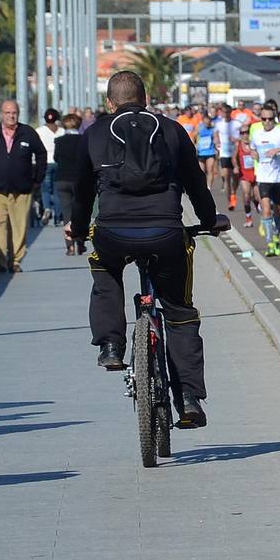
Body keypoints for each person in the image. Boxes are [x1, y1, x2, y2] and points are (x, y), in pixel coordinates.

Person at [68, 71, 226, 429]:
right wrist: (208, 218)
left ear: (110, 102)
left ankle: (110, 345)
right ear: (146, 98)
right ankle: (188, 398)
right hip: (165, 232)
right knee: (179, 310)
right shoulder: (171, 130)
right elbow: (195, 183)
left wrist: (78, 230)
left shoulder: (94, 133)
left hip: (113, 232)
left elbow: (81, 192)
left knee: (104, 270)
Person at [0, 98, 48, 273]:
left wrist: (37, 179)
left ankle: (15, 261)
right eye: (7, 113)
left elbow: (41, 155)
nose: (11, 116)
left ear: (18, 114)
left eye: (14, 112)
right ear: (1, 114)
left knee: (19, 225)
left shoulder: (28, 133)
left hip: (22, 189)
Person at [249, 105, 280, 258]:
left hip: (279, 178)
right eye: (264, 119)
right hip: (263, 177)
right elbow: (253, 148)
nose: (267, 122)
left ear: (274, 118)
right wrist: (254, 154)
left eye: (270, 119)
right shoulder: (256, 134)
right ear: (260, 119)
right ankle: (270, 243)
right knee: (266, 210)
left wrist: (279, 150)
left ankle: (275, 233)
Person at [52, 113, 86, 256]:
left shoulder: (59, 141)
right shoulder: (84, 140)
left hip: (62, 179)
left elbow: (56, 158)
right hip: (79, 180)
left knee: (67, 213)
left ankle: (69, 246)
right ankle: (80, 242)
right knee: (80, 211)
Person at [37, 108, 63, 224]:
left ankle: (47, 208)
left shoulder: (39, 131)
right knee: (57, 190)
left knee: (45, 189)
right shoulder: (62, 131)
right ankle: (58, 216)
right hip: (59, 162)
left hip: (45, 162)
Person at [211, 103, 239, 210]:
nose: (226, 114)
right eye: (224, 112)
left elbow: (243, 137)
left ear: (230, 112)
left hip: (235, 154)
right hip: (224, 153)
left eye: (228, 112)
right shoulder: (219, 124)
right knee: (226, 176)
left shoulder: (236, 124)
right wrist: (216, 140)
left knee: (236, 177)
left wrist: (236, 140)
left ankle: (233, 192)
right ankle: (230, 201)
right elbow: (215, 134)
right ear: (221, 113)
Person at [195, 104, 218, 193]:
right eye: (205, 119)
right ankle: (203, 186)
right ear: (203, 119)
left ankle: (209, 187)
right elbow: (194, 136)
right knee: (202, 171)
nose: (207, 121)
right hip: (201, 152)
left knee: (210, 169)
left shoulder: (213, 128)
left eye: (208, 120)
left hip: (210, 152)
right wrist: (195, 145)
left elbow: (216, 138)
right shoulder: (199, 127)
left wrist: (217, 146)